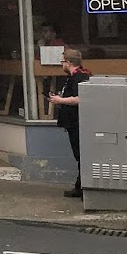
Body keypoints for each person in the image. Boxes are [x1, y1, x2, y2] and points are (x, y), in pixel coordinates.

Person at [47, 47, 89, 198]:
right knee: (79, 155)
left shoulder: (79, 77)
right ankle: (80, 185)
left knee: (81, 155)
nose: (61, 65)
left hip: (77, 122)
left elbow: (80, 98)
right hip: (73, 122)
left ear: (69, 62)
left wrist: (60, 100)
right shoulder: (75, 76)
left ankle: (82, 187)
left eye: (62, 62)